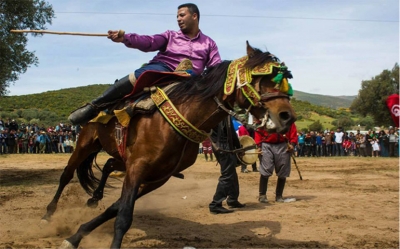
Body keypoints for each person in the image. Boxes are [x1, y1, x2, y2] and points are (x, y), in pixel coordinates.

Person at [68, 3, 221, 126]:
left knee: (216, 106)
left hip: (191, 79)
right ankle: (93, 107)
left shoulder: (209, 43)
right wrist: (125, 38)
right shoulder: (170, 35)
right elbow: (149, 42)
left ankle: (228, 154)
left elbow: (216, 68)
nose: (178, 19)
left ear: (194, 16)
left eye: (182, 15)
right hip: (163, 69)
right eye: (177, 16)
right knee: (140, 75)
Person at [209, 117, 246, 214]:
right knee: (227, 175)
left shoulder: (219, 113)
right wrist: (238, 147)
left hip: (221, 146)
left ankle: (233, 199)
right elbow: (231, 133)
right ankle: (215, 204)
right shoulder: (222, 114)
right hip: (223, 147)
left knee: (231, 173)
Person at [255, 123, 298, 203]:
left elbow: (293, 132)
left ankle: (279, 195)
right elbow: (258, 130)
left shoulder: (287, 118)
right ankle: (262, 195)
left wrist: (292, 144)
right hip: (266, 144)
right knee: (266, 169)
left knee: (283, 170)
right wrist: (258, 146)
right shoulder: (264, 116)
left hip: (283, 145)